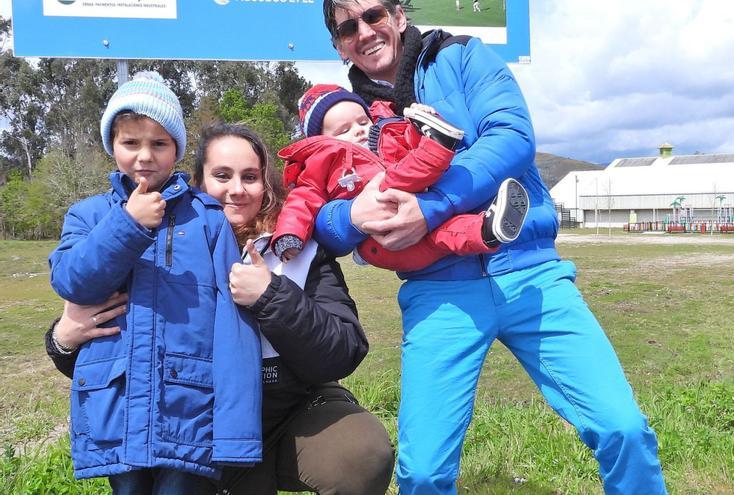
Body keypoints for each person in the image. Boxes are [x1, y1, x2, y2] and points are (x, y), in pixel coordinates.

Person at [315, 1, 668, 494]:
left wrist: (431, 207)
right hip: (439, 291)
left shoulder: (462, 58)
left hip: (530, 274)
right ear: (338, 43)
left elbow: (512, 138)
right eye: (348, 26)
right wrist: (349, 216)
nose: (365, 31)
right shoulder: (341, 117)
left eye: (372, 15)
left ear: (398, 14)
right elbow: (318, 210)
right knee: (423, 473)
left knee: (623, 429)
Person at [47, 123, 394, 494]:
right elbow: (130, 342)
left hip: (294, 411)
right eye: (221, 175)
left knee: (362, 453)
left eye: (250, 177)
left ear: (266, 184)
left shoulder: (299, 248)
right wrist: (62, 340)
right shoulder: (159, 243)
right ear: (197, 182)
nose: (236, 190)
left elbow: (344, 350)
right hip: (200, 423)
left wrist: (272, 295)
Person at [46, 72, 261, 493]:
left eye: (159, 143)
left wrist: (236, 435)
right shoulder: (87, 216)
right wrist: (127, 224)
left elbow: (234, 326)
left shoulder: (209, 219)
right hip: (114, 406)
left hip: (188, 408)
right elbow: (72, 282)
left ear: (177, 148)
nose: (144, 156)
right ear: (112, 146)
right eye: (130, 143)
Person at [272, 83, 528, 272]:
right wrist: (288, 234)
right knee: (394, 187)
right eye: (344, 130)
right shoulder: (323, 160)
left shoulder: (386, 136)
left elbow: (410, 145)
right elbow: (302, 200)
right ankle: (440, 146)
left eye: (362, 121)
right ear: (322, 139)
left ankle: (486, 231)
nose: (359, 131)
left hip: (418, 208)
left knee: (440, 233)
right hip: (381, 242)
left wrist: (421, 125)